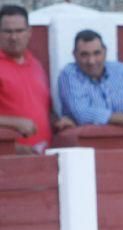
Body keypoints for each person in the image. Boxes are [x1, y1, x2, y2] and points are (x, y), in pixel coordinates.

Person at [0, 4, 73, 154]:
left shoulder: (36, 65)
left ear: (29, 32)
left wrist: (58, 122)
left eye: (19, 31)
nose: (14, 37)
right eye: (7, 31)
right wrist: (14, 124)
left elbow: (42, 109)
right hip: (8, 158)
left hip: (42, 155)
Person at [58, 30, 123, 131]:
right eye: (84, 55)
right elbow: (83, 113)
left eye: (97, 53)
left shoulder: (120, 70)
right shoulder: (69, 74)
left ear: (105, 52)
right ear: (74, 55)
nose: (91, 61)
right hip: (89, 140)